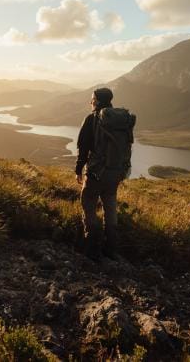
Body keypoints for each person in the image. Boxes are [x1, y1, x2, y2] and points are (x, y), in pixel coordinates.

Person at [75, 87, 131, 261]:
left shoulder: (92, 119)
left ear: (98, 101)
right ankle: (112, 249)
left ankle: (92, 248)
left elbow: (83, 147)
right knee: (110, 206)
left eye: (92, 99)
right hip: (115, 173)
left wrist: (78, 169)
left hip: (96, 173)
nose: (91, 102)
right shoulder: (120, 121)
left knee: (89, 203)